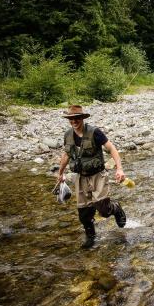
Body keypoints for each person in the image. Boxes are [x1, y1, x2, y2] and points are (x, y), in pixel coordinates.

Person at [57, 105, 127, 249]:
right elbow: (66, 155)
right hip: (80, 177)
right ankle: (91, 237)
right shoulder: (67, 135)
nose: (74, 121)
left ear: (82, 118)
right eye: (71, 119)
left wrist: (119, 168)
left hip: (97, 175)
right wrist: (60, 173)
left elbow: (111, 148)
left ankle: (116, 208)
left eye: (77, 118)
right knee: (84, 213)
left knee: (103, 209)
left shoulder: (95, 132)